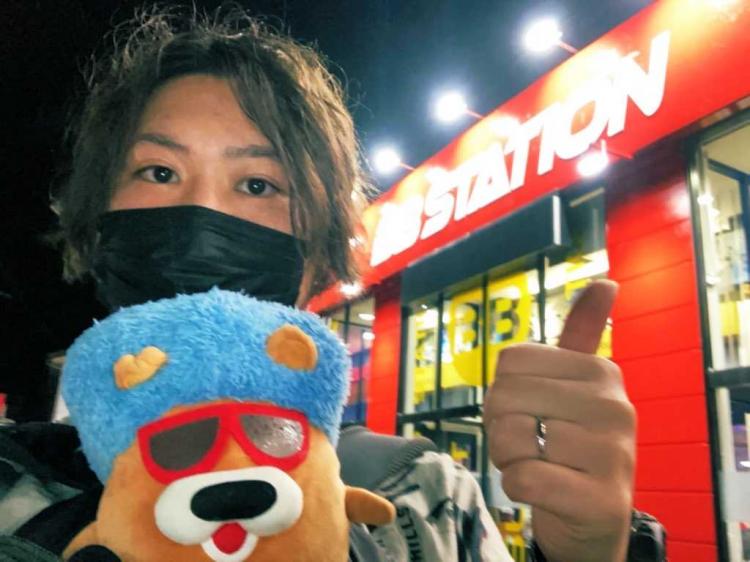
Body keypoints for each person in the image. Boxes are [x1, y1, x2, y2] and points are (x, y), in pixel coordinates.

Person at [0, 6, 664, 562]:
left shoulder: (419, 500)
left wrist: (590, 550)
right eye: (159, 172)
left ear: (319, 249)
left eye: (257, 184)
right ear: (94, 220)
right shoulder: (14, 489)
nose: (203, 213)